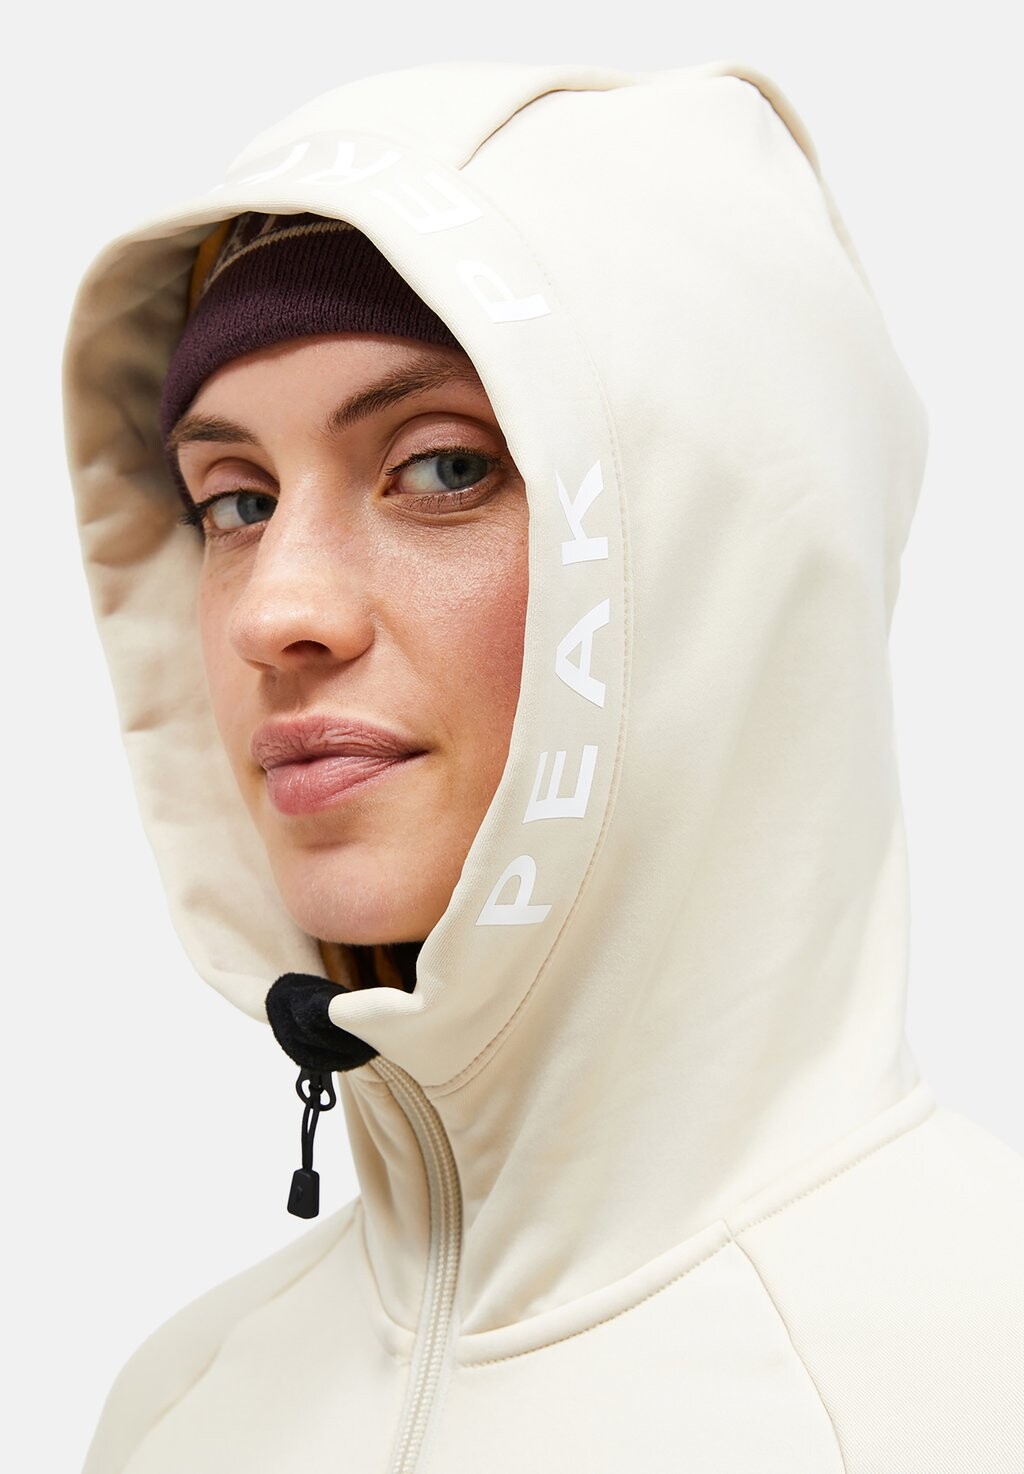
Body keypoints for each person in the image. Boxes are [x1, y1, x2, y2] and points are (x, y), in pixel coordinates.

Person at [63, 58, 1023, 1474]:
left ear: (711, 567)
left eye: (444, 467)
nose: (275, 611)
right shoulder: (179, 1411)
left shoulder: (976, 1390)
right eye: (238, 500)